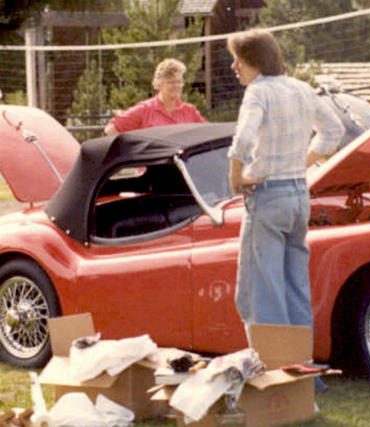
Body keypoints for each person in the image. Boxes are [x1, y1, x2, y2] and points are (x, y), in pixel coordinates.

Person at [226, 30, 345, 339]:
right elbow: (334, 130)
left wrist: (235, 176)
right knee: (295, 287)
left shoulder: (258, 92)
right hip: (298, 196)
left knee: (260, 292)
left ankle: (275, 371)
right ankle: (304, 372)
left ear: (254, 60)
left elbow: (244, 138)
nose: (233, 67)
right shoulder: (302, 89)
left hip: (267, 198)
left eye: (237, 60)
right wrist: (299, 163)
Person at [104, 58, 206, 135]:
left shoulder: (190, 111)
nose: (176, 86)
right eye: (170, 82)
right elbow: (111, 129)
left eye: (179, 82)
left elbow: (208, 133)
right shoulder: (144, 109)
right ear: (158, 84)